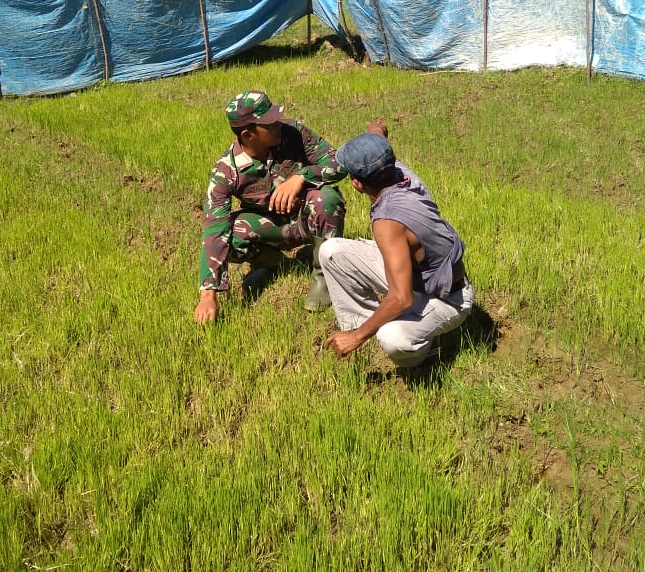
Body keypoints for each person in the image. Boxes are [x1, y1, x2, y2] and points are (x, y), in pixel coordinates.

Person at [322, 124, 473, 367]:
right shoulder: (400, 173)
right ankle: (358, 326)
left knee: (392, 338)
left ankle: (420, 349)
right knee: (331, 252)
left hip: (448, 297)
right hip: (417, 275)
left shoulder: (388, 222)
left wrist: (357, 338)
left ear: (357, 184)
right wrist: (377, 132)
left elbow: (402, 298)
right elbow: (380, 134)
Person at [194, 91, 347, 323]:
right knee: (232, 234)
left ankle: (324, 277)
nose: (278, 124)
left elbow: (338, 161)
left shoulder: (293, 132)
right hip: (270, 230)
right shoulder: (226, 172)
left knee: (327, 199)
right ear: (248, 135)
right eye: (268, 123)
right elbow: (215, 230)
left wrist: (302, 177)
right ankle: (275, 264)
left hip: (306, 218)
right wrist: (207, 295)